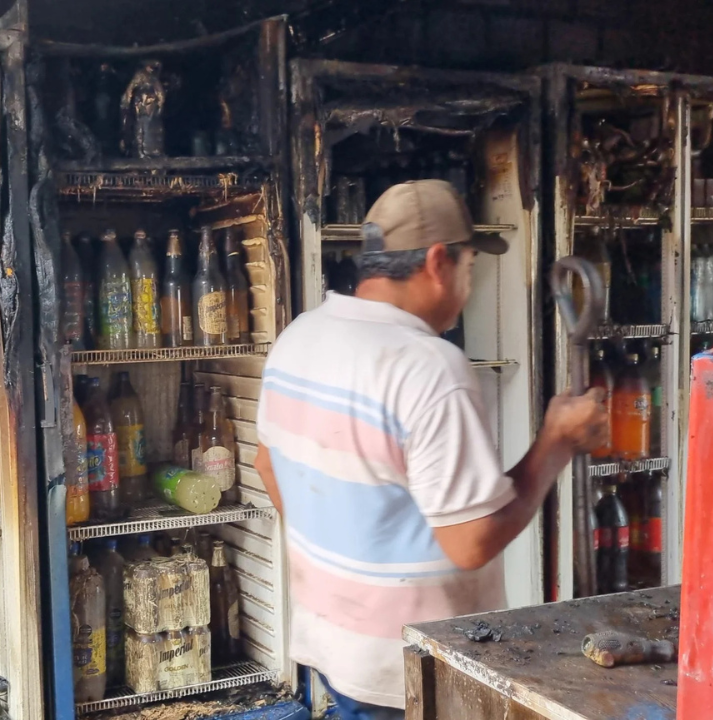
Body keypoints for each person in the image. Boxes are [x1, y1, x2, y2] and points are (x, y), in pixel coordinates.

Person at [254, 180, 607, 719]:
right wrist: (555, 443)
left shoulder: (299, 337)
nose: (469, 284)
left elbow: (267, 465)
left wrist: (349, 554)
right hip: (410, 667)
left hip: (332, 647)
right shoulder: (428, 367)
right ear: (439, 262)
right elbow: (471, 542)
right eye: (469, 268)